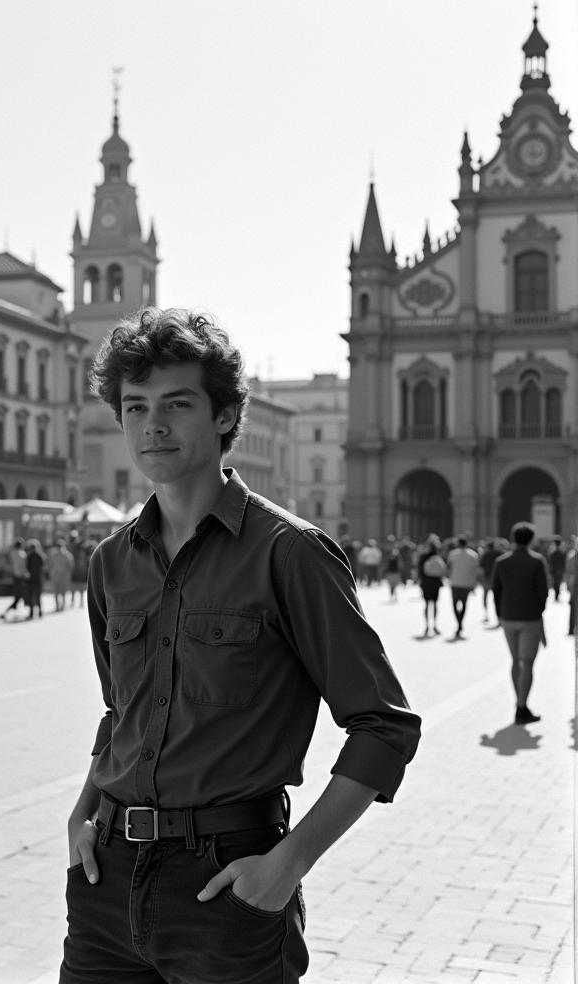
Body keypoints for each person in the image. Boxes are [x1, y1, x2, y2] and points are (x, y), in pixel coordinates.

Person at [59, 308, 420, 983]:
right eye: (134, 407)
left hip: (227, 884)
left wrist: (290, 864)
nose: (152, 425)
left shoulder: (292, 555)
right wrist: (81, 815)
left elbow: (385, 727)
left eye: (177, 404)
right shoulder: (112, 561)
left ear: (225, 416)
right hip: (105, 882)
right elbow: (121, 713)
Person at [491, 522, 550, 726]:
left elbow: (495, 590)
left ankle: (519, 702)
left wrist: (500, 614)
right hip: (530, 618)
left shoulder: (501, 561)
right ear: (531, 539)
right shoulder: (537, 561)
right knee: (528, 663)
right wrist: (538, 611)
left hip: (508, 616)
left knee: (515, 661)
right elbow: (543, 592)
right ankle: (522, 706)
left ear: (514, 538)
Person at [446, 534, 480, 640]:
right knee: (464, 604)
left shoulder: (452, 554)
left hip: (455, 582)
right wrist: (474, 584)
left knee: (455, 605)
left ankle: (459, 623)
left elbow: (449, 568)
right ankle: (460, 623)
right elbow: (475, 571)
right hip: (467, 583)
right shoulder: (473, 555)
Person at [417, 536, 446, 637]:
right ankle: (434, 625)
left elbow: (420, 571)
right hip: (435, 582)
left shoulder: (423, 556)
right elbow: (443, 570)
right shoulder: (438, 556)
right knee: (435, 604)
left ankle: (426, 625)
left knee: (426, 604)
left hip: (426, 582)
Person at [0, 538, 28, 620]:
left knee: (17, 595)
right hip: (21, 577)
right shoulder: (22, 554)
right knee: (20, 595)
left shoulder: (12, 553)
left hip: (14, 575)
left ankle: (10, 611)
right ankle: (9, 611)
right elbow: (23, 566)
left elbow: (6, 561)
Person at [478, 537, 505, 625]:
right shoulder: (500, 553)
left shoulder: (486, 555)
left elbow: (481, 567)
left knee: (485, 597)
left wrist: (480, 578)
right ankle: (499, 617)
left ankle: (486, 615)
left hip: (487, 578)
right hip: (498, 579)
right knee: (497, 598)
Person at [47, 538, 75, 612]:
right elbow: (71, 565)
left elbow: (49, 565)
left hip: (56, 574)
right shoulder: (67, 554)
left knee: (56, 591)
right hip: (63, 575)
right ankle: (62, 605)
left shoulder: (53, 554)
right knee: (63, 591)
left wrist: (50, 573)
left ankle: (57, 606)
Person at [25, 538, 46, 619]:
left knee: (32, 596)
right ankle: (39, 612)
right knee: (38, 596)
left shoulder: (29, 556)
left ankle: (32, 613)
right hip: (38, 578)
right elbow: (43, 567)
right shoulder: (40, 556)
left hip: (32, 578)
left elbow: (26, 567)